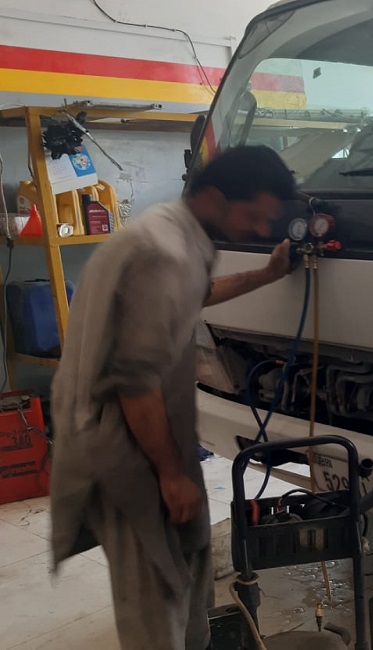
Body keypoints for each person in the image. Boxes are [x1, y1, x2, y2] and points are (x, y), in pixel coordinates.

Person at [49, 146, 298, 650]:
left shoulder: (175, 232)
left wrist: (267, 275)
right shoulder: (162, 252)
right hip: (125, 451)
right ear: (216, 198)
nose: (258, 230)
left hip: (154, 441)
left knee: (189, 572)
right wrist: (170, 475)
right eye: (253, 217)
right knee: (155, 599)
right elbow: (134, 381)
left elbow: (194, 293)